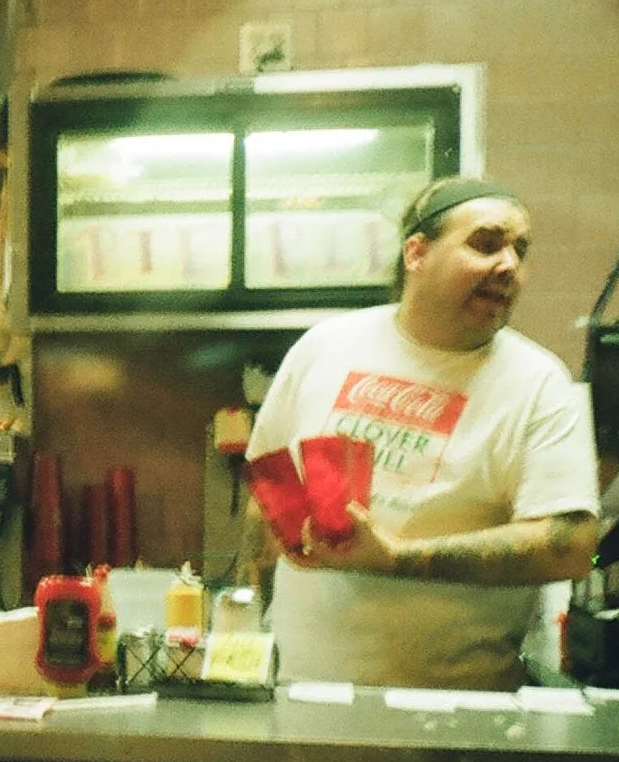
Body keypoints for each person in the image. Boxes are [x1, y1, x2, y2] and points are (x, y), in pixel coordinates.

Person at [244, 176, 599, 689]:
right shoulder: (325, 346)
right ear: (417, 253)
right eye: (486, 243)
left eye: (520, 250)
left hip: (457, 716)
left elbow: (572, 546)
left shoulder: (537, 382)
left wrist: (396, 559)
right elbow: (267, 487)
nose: (509, 265)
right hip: (301, 695)